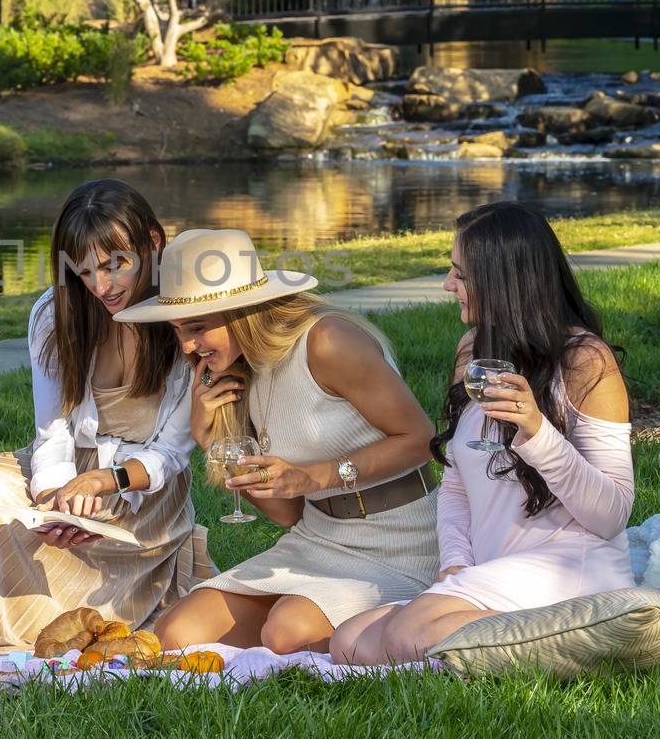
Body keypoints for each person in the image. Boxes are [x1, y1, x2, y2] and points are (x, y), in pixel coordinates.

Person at [331, 201, 633, 665]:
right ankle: (515, 639)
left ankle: (591, 627)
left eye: (461, 275)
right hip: (496, 571)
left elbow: (612, 515)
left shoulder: (585, 360)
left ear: (503, 279)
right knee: (350, 642)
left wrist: (536, 431)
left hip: (572, 566)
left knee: (407, 636)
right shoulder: (473, 350)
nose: (448, 286)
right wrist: (455, 564)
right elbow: (455, 481)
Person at [127, 229, 441, 655]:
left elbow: (420, 438)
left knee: (285, 632)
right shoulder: (239, 368)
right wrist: (210, 439)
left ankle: (414, 609)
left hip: (402, 541)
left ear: (241, 311)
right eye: (178, 330)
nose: (186, 345)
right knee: (176, 633)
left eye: (197, 327)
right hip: (318, 538)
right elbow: (289, 512)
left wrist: (314, 477)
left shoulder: (327, 341)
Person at [0, 179, 213, 650]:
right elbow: (53, 433)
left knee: (63, 591)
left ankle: (30, 621)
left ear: (153, 242)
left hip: (140, 485)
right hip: (68, 471)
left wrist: (105, 483)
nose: (101, 286)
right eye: (85, 272)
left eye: (114, 266)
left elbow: (171, 452)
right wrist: (52, 496)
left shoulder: (184, 314)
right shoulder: (55, 312)